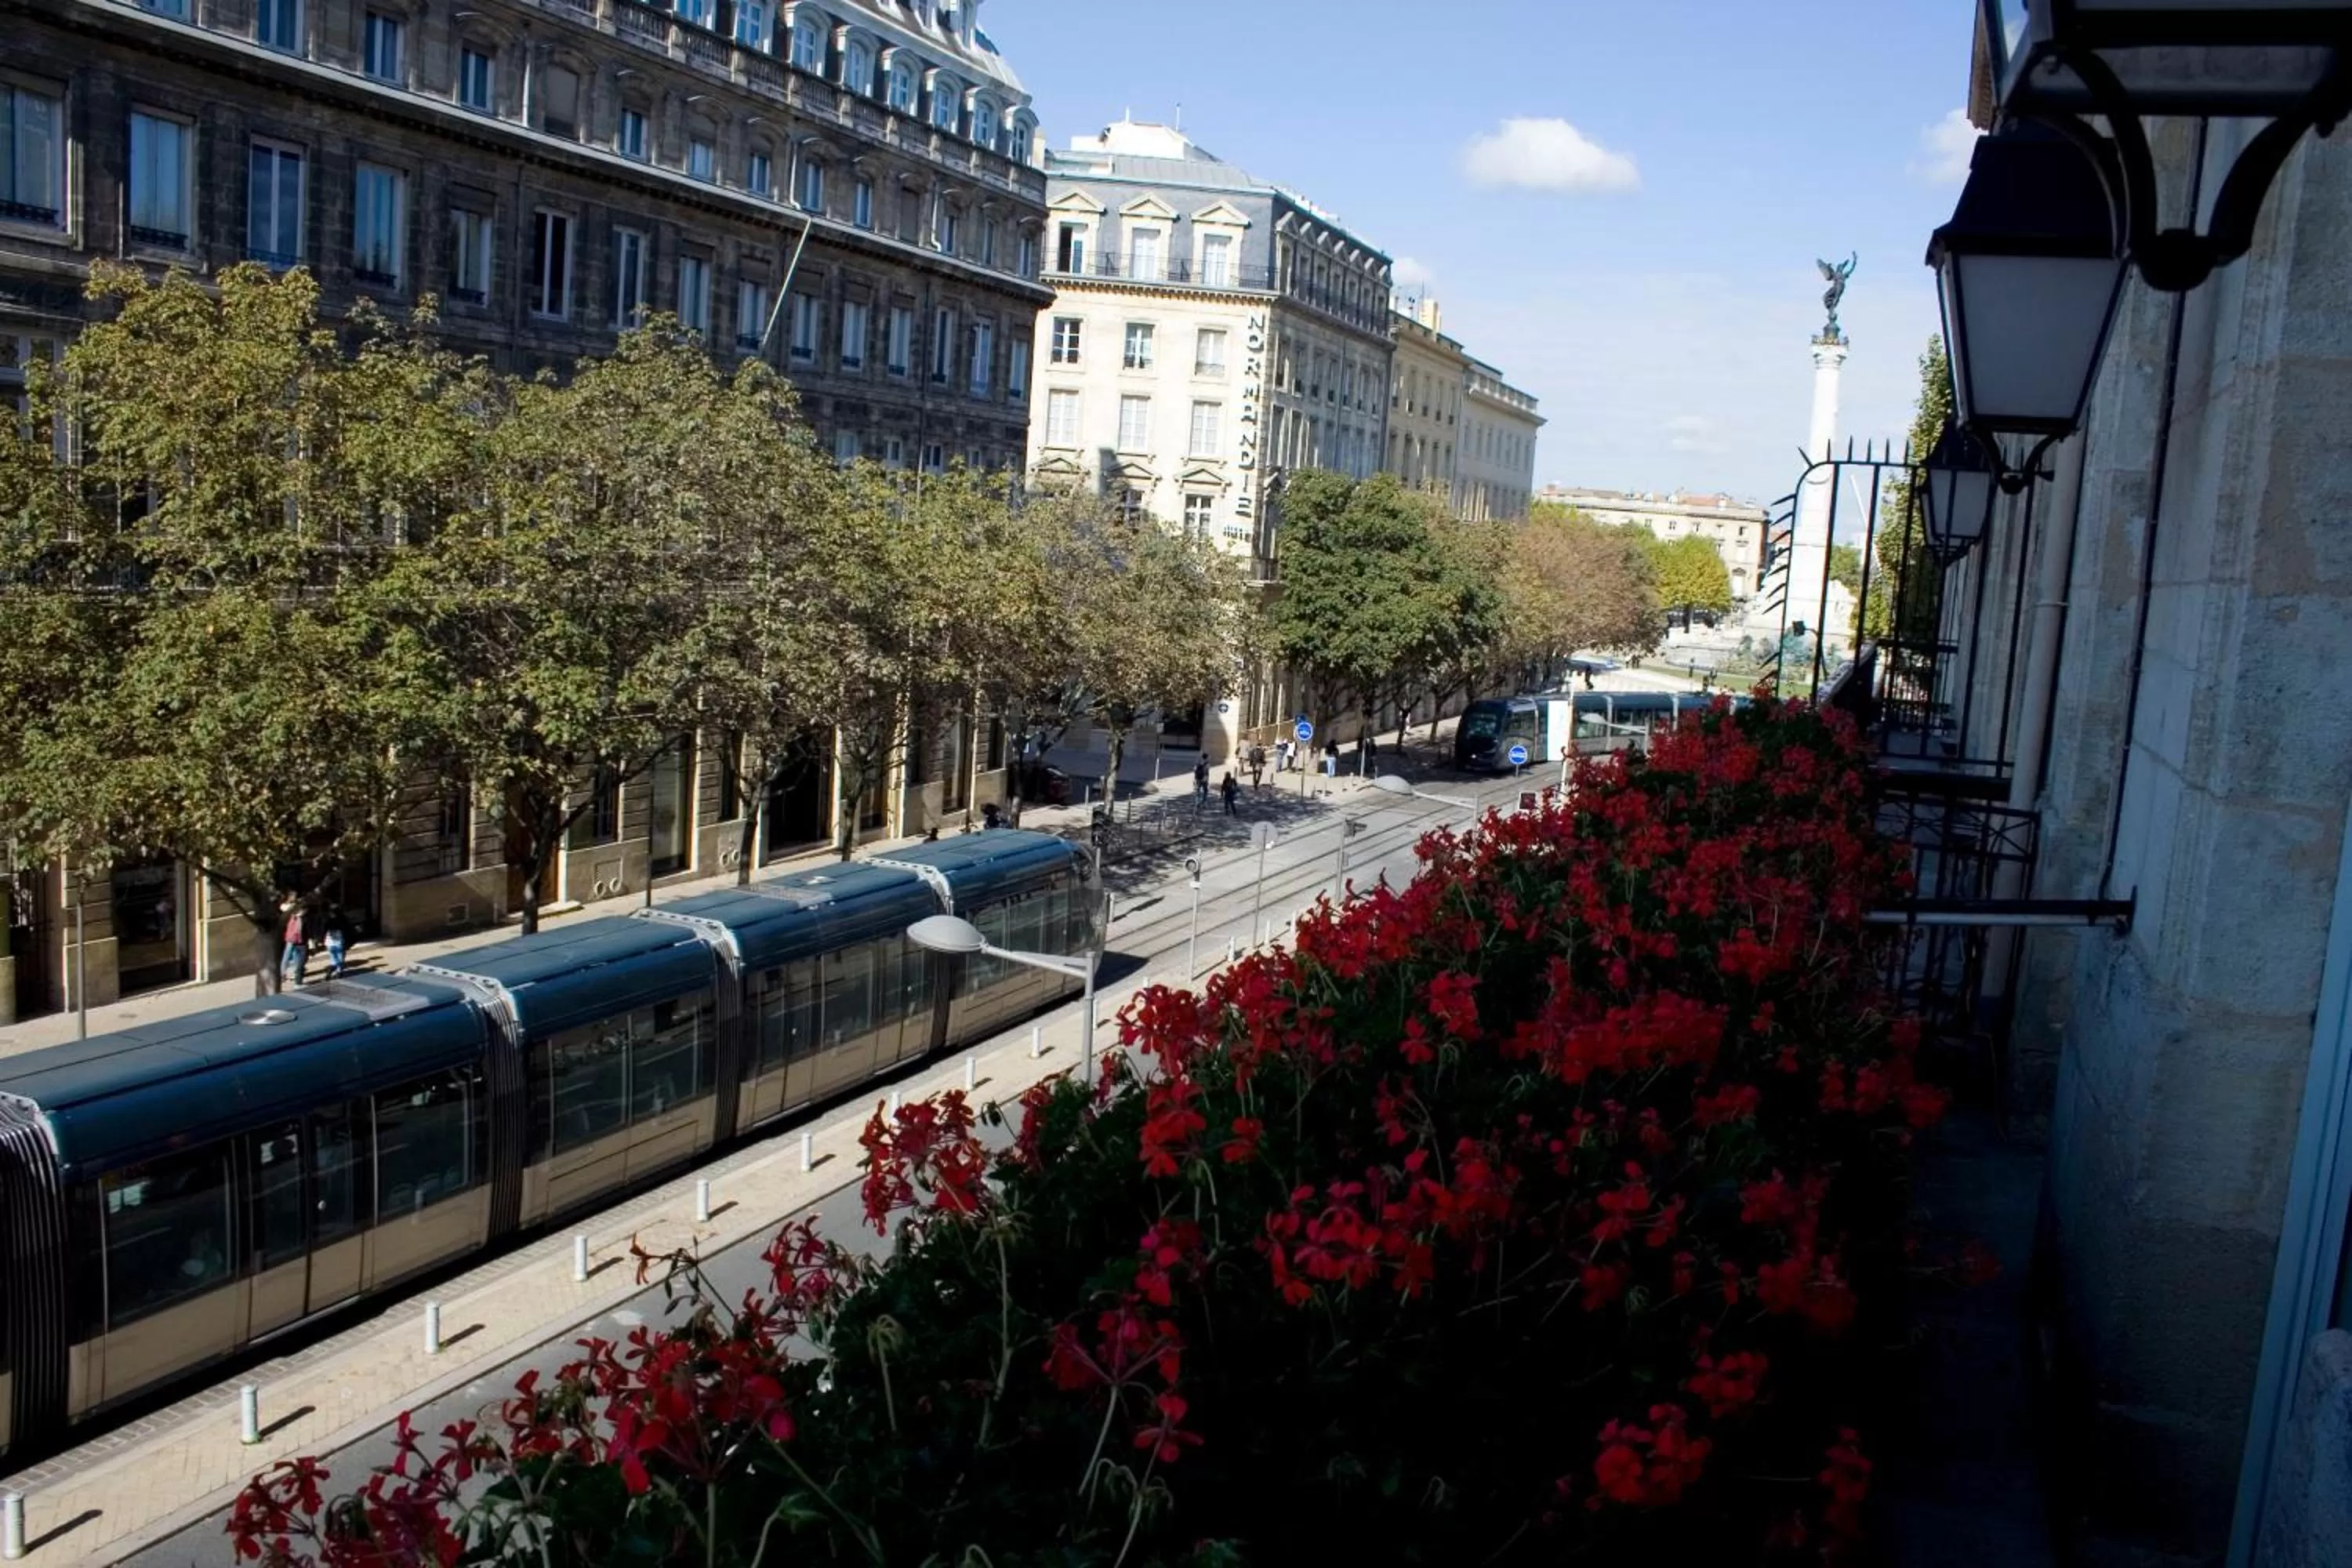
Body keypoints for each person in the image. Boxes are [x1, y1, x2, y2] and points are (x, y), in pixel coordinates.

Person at [279, 898, 307, 988]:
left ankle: (286, 974)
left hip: (289, 939)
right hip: (294, 939)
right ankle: (286, 975)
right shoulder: (296, 917)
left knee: (290, 956)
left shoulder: (291, 915)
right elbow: (298, 931)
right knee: (289, 957)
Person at [323, 908, 347, 981]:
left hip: (329, 942)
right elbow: (345, 930)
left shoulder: (328, 921)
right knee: (340, 959)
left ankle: (330, 973)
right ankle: (338, 973)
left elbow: (324, 931)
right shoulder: (342, 920)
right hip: (338, 942)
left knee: (333, 959)